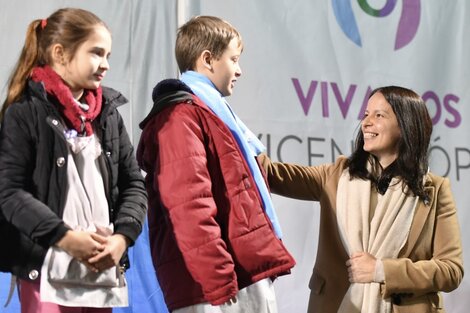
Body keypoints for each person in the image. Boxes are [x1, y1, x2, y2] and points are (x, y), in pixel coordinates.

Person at [136, 15, 295, 313]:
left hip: (236, 272)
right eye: (234, 59)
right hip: (213, 283)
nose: (239, 70)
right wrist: (217, 276)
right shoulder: (180, 117)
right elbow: (188, 203)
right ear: (208, 60)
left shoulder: (212, 114)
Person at [259, 86, 463, 313]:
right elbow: (270, 173)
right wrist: (225, 125)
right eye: (366, 114)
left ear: (406, 125)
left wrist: (382, 270)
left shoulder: (434, 189)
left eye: (379, 115)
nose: (366, 122)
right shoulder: (336, 175)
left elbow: (451, 270)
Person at [0, 8, 147, 313]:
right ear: (60, 53)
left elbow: (133, 182)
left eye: (108, 55)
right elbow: (10, 193)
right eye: (96, 53)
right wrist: (64, 237)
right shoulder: (25, 112)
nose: (105, 64)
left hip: (99, 269)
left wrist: (122, 238)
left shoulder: (108, 115)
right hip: (47, 267)